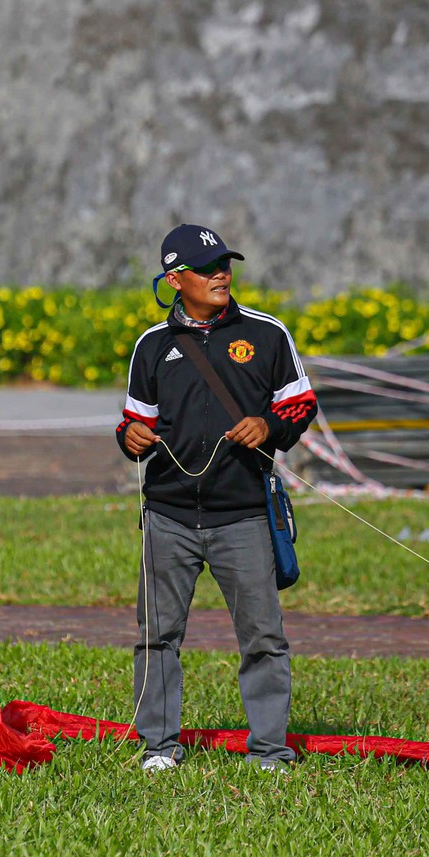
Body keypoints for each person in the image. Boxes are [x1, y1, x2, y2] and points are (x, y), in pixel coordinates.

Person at [117, 224, 319, 772]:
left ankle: (270, 751)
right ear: (176, 279)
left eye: (225, 264)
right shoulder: (151, 346)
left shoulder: (268, 333)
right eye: (207, 268)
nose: (221, 274)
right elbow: (136, 423)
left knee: (264, 637)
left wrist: (269, 425)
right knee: (158, 637)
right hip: (167, 514)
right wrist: (128, 437)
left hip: (244, 514)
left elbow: (301, 404)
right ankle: (159, 747)